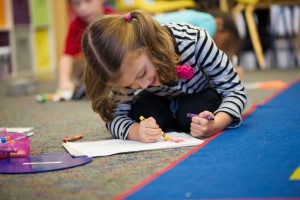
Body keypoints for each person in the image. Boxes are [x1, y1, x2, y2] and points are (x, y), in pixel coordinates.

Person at [81, 10, 248, 143]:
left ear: (150, 45)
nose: (144, 85)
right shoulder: (123, 68)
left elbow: (235, 91)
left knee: (193, 112)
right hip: (158, 101)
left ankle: (181, 117)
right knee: (142, 115)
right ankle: (169, 118)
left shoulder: (195, 41)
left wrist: (217, 123)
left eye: (142, 73)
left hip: (198, 95)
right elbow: (114, 116)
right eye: (131, 85)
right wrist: (136, 132)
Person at [154, 9, 243, 79]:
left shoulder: (197, 18)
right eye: (226, 43)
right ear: (219, 23)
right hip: (155, 35)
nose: (221, 49)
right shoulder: (210, 22)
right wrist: (227, 71)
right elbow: (198, 48)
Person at [56, 0, 116, 100]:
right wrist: (64, 80)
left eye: (88, 1)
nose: (82, 8)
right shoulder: (76, 26)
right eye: (76, 4)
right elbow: (67, 56)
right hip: (94, 69)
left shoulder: (115, 20)